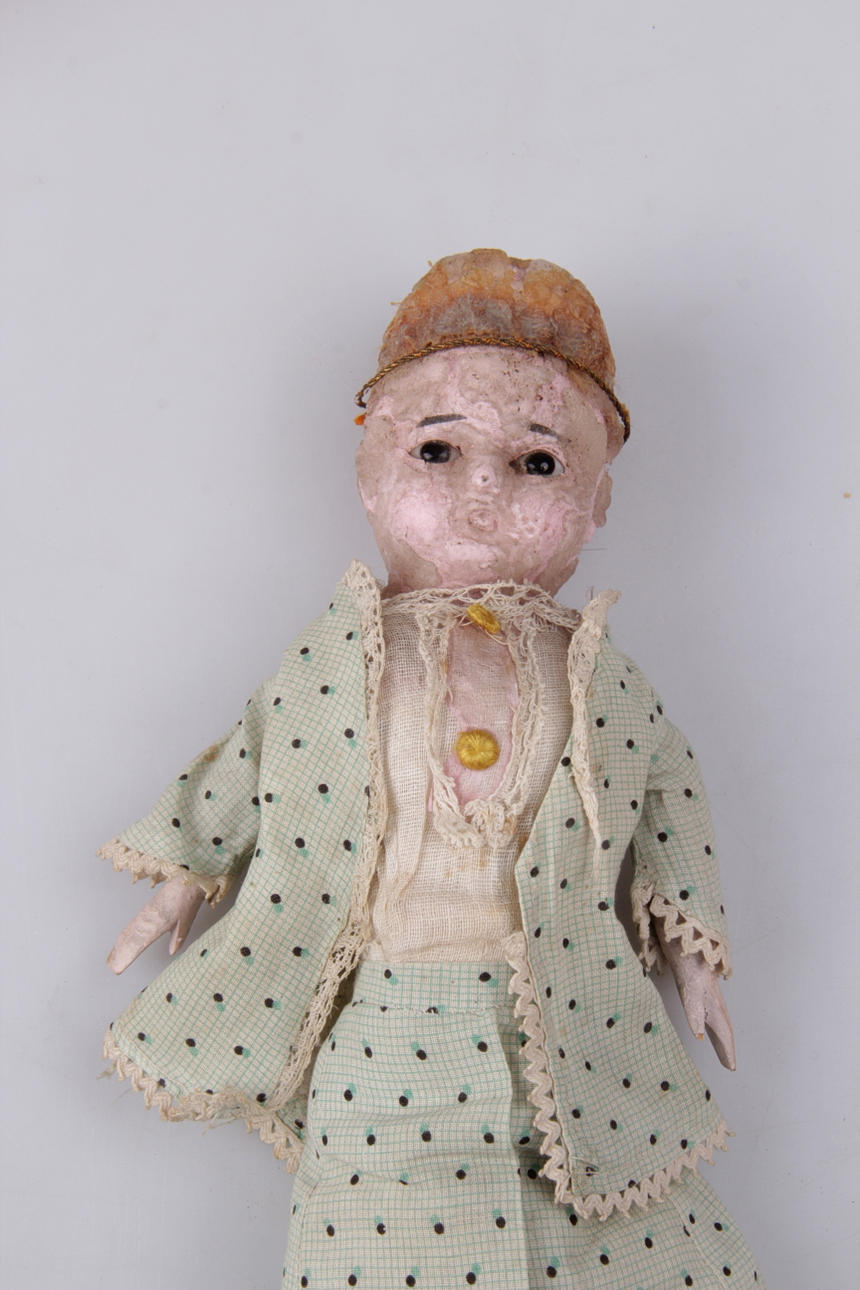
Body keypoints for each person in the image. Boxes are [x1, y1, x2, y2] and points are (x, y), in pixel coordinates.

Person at [104, 250, 765, 1287]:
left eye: (537, 463)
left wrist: (692, 947)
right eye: (437, 450)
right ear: (368, 471)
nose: (482, 492)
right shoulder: (338, 660)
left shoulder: (601, 679)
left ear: (598, 501)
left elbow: (666, 787)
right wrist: (189, 864)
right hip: (387, 1023)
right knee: (382, 1231)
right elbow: (263, 748)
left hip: (567, 1013)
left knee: (614, 1219)